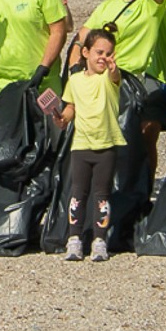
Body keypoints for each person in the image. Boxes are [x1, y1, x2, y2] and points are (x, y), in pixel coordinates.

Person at [57, 26, 126, 260]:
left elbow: (115, 78)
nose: (104, 58)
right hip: (81, 145)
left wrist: (113, 71)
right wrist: (62, 119)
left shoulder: (109, 78)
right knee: (78, 193)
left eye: (108, 53)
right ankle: (74, 239)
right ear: (85, 53)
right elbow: (70, 108)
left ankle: (99, 240)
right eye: (99, 52)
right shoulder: (75, 81)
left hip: (106, 144)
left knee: (102, 194)